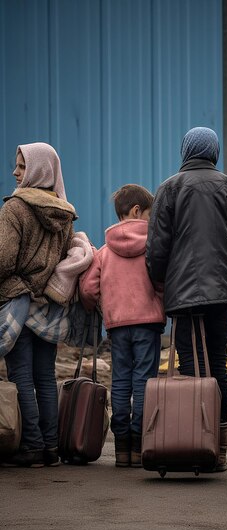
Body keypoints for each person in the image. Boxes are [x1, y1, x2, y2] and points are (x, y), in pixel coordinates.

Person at [146, 126, 227, 471]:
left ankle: (190, 443)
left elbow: (157, 247)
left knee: (188, 365)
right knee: (218, 364)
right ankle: (217, 450)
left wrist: (161, 279)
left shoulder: (169, 188)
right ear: (214, 152)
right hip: (221, 291)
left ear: (185, 150)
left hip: (184, 293)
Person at [0, 142, 77, 467]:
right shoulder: (64, 211)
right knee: (45, 377)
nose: (15, 172)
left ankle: (31, 447)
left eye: (21, 166)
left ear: (37, 169)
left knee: (21, 376)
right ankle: (50, 447)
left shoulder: (15, 209)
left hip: (18, 304)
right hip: (49, 307)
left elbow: (3, 259)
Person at [80, 184, 165, 468]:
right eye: (150, 215)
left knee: (120, 381)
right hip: (148, 323)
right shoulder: (152, 247)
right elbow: (162, 281)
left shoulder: (104, 252)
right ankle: (140, 445)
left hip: (117, 326)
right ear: (138, 211)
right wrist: (160, 300)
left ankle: (121, 449)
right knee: (144, 381)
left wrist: (102, 307)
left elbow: (88, 290)